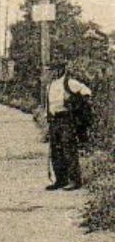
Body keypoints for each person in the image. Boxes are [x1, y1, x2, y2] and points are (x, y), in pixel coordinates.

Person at [45, 61, 93, 191]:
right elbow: (49, 104)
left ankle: (74, 180)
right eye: (50, 70)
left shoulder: (70, 83)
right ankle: (60, 180)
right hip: (54, 121)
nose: (52, 72)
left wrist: (76, 103)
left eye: (54, 69)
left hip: (66, 119)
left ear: (62, 70)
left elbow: (86, 91)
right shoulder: (50, 85)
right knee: (56, 151)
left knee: (68, 149)